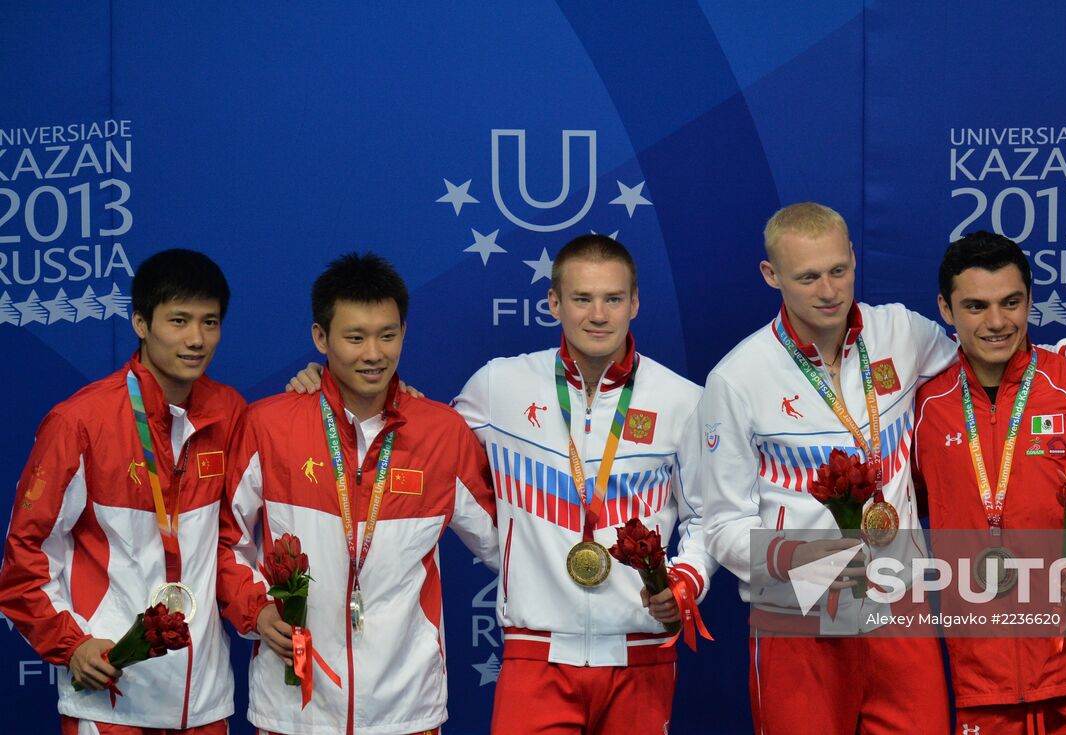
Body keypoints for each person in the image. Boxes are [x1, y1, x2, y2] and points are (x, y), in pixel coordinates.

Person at [696, 203, 1066, 735]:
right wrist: (799, 557)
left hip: (900, 610)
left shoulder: (900, 331)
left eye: (838, 270)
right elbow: (720, 527)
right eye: (807, 277)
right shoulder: (738, 378)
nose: (828, 291)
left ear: (854, 258)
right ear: (772, 276)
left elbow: (990, 343)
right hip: (799, 615)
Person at [217, 252, 499, 735]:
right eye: (355, 337)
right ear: (320, 338)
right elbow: (225, 540)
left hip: (406, 707)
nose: (374, 353)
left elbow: (509, 545)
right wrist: (257, 610)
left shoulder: (441, 434)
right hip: (292, 709)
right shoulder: (269, 425)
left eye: (388, 335)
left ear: (404, 334)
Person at [451, 234, 716, 734]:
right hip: (536, 656)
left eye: (613, 299)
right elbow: (428, 447)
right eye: (582, 299)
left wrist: (685, 581)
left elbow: (709, 515)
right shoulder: (497, 386)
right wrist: (509, 553)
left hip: (640, 656)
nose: (598, 314)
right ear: (554, 303)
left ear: (634, 303)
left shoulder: (682, 401)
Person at [911, 231, 1066, 734]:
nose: (998, 322)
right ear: (945, 308)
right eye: (976, 306)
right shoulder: (925, 408)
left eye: (1011, 302)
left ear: (1030, 300)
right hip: (984, 676)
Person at [0, 249, 243, 734]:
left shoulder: (230, 411)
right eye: (179, 320)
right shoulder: (80, 423)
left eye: (210, 322)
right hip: (111, 701)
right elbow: (23, 559)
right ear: (139, 322)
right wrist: (71, 644)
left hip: (205, 703)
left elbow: (235, 539)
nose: (197, 339)